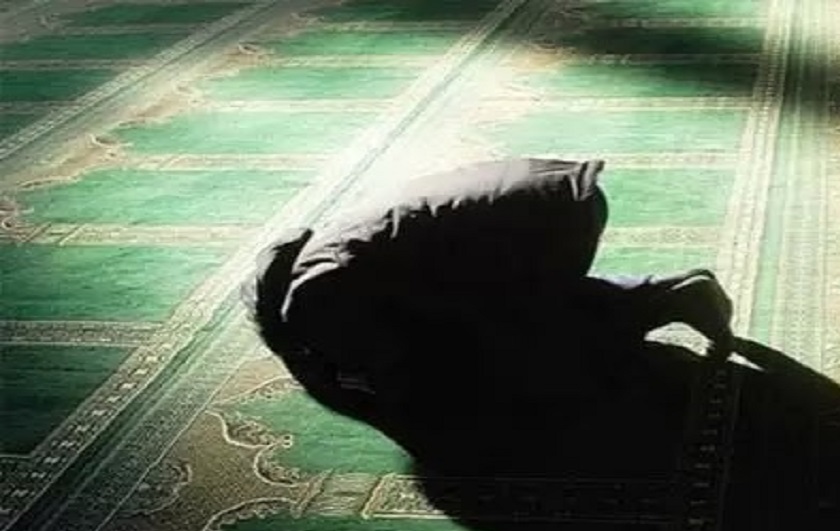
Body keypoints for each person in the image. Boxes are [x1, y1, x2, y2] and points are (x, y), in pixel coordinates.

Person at [242, 157, 734, 421]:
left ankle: (666, 305)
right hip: (555, 191)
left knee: (517, 337)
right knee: (493, 301)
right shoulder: (326, 248)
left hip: (536, 222)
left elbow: (398, 368)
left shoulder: (312, 300)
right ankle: (671, 292)